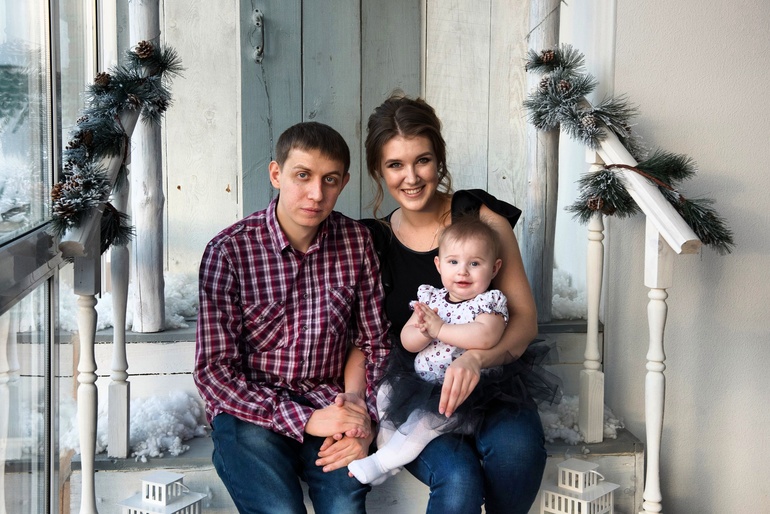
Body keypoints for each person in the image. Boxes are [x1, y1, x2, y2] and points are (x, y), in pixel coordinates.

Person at [359, 93, 560, 514]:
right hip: (418, 392)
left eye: (422, 160)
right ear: (378, 170)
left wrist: (476, 359)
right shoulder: (373, 240)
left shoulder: (481, 219)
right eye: (395, 165)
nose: (411, 177)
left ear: (440, 159)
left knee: (517, 454)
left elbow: (524, 320)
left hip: (491, 378)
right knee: (460, 478)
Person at [194, 121, 390, 514]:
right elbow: (213, 372)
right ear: (276, 174)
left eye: (330, 180)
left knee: (345, 502)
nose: (316, 194)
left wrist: (362, 420)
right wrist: (305, 420)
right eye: (303, 175)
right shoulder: (229, 251)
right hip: (251, 409)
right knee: (280, 509)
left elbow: (374, 343)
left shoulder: (356, 241)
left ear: (343, 183)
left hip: (329, 400)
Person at [348, 217, 509, 485]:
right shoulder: (430, 298)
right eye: (453, 262)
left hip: (461, 395)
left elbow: (485, 336)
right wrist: (423, 332)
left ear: (494, 268)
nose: (462, 272)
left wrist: (440, 329)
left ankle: (381, 462)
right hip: (420, 382)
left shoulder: (488, 302)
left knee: (424, 420)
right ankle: (389, 452)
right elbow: (407, 339)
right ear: (438, 264)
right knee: (385, 392)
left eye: (475, 264)